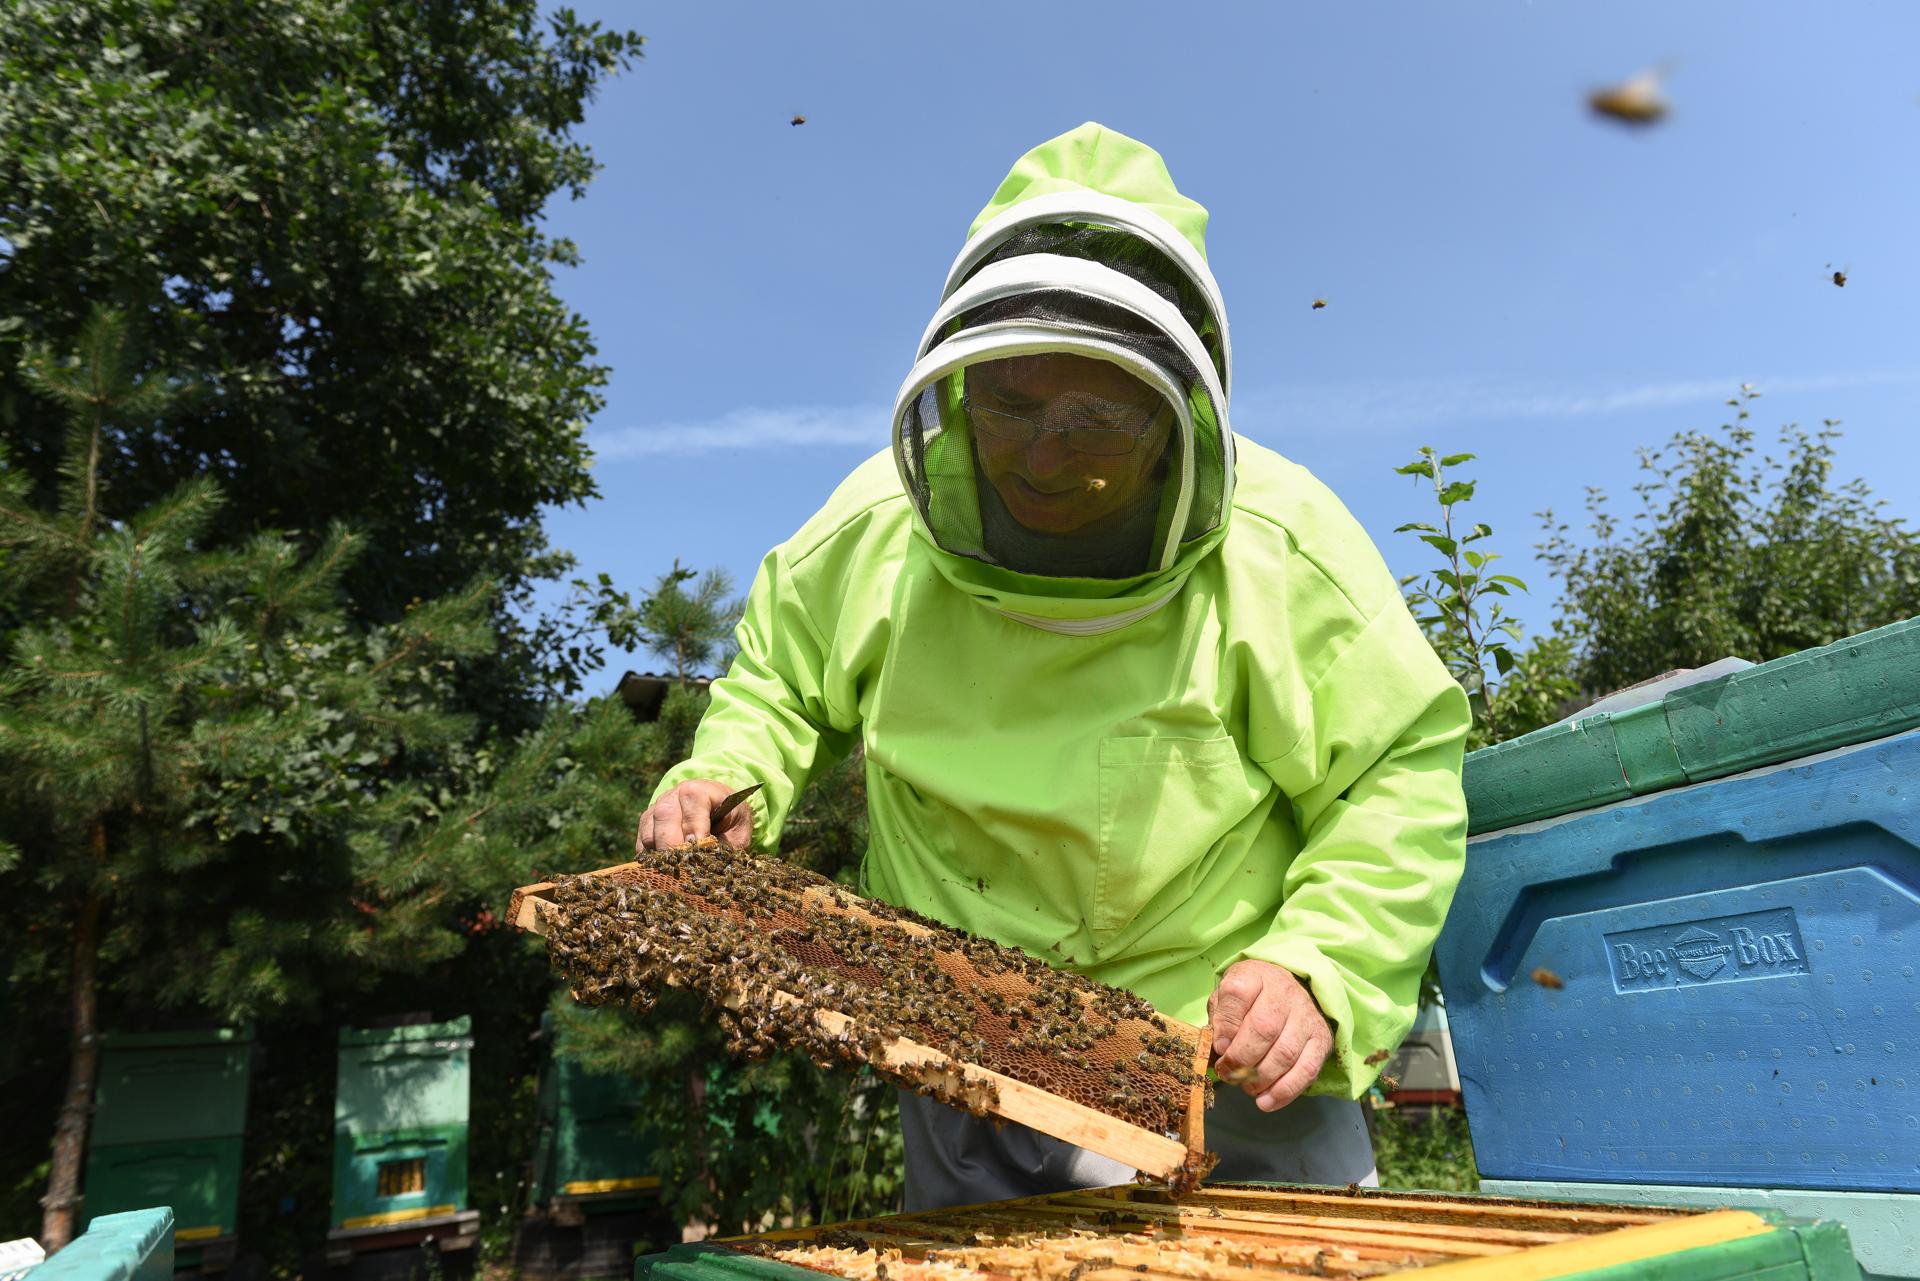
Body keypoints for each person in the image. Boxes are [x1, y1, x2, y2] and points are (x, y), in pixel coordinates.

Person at [637, 122, 1470, 1209]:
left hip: (1220, 1065)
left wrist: (1317, 967)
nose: (1038, 457)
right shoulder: (869, 534)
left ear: (1178, 430)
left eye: (1093, 423)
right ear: (956, 390)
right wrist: (725, 775)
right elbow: (779, 684)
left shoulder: (1286, 550)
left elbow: (1394, 773)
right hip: (957, 1051)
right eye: (1011, 407)